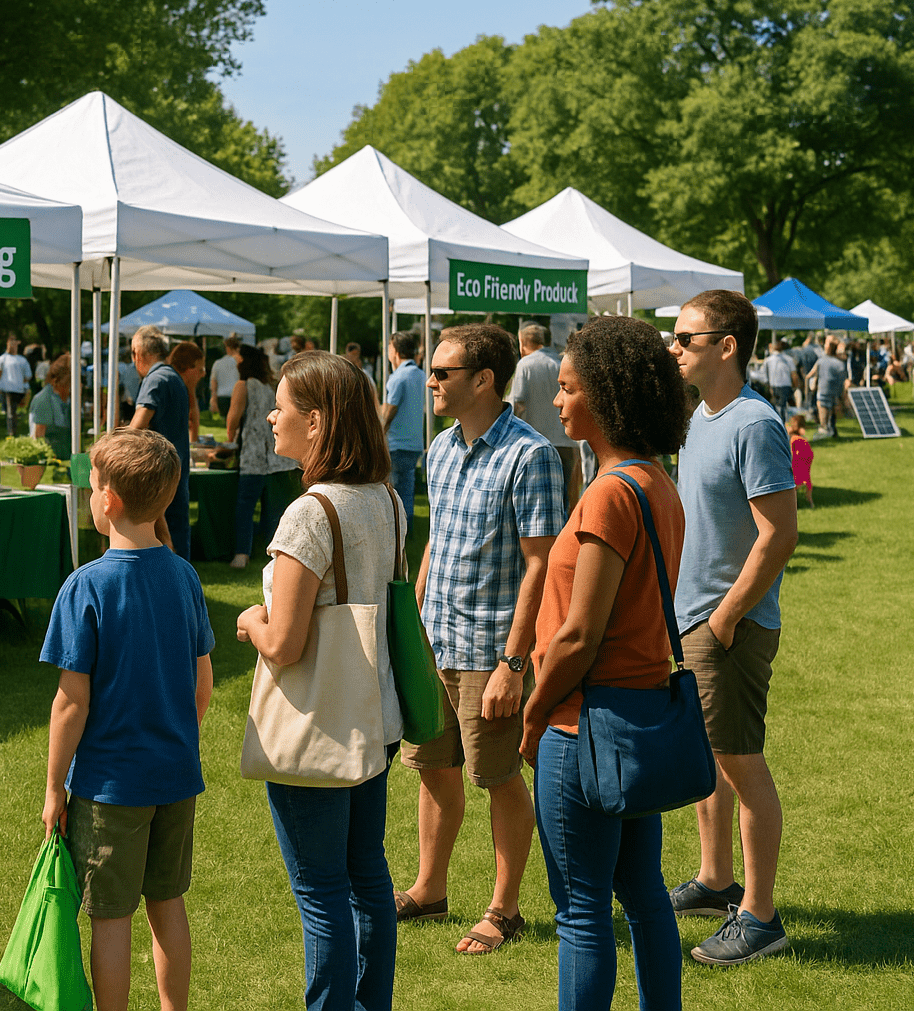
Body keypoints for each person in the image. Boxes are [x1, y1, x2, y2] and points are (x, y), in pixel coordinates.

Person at [519, 314, 692, 1011]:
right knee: (643, 895)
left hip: (583, 723)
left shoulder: (608, 494)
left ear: (603, 395)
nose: (557, 403)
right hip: (639, 716)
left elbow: (577, 635)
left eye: (566, 389)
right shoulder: (655, 482)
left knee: (582, 910)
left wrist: (533, 715)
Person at [236, 350, 403, 1011]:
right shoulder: (384, 497)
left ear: (317, 422)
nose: (270, 416)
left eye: (280, 406)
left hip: (319, 729)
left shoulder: (309, 513)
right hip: (376, 715)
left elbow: (285, 640)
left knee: (322, 888)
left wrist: (250, 620)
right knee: (366, 873)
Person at [396, 323, 565, 955]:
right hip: (435, 643)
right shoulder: (440, 448)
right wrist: (411, 629)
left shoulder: (531, 455)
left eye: (442, 372)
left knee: (497, 777)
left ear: (484, 380)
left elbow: (540, 567)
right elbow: (436, 543)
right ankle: (428, 890)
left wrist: (512, 663)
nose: (430, 381)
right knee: (431, 769)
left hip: (489, 650)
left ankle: (505, 908)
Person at [40, 428, 214, 1011]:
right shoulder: (186, 577)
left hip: (110, 786)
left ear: (108, 500)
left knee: (111, 917)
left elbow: (70, 702)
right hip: (175, 776)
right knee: (168, 903)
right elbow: (202, 686)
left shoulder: (85, 586)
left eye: (92, 485)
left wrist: (53, 788)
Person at [667, 289, 798, 966]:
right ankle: (717, 879)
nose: (674, 347)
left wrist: (722, 619)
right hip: (694, 621)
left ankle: (761, 917)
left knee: (742, 765)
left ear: (727, 346)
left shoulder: (753, 423)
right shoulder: (699, 418)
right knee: (709, 761)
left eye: (686, 338)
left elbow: (779, 535)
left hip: (729, 626)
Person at [225, 344, 297, 569]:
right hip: (277, 458)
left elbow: (233, 419)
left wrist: (230, 441)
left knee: (245, 507)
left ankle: (242, 553)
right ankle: (274, 556)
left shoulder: (243, 385)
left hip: (253, 455)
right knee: (273, 511)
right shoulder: (270, 386)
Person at [128, 327, 191, 559]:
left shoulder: (154, 379)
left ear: (139, 353)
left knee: (164, 536)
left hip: (160, 469)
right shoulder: (173, 376)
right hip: (176, 465)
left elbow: (138, 426)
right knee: (178, 527)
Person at [510, 322, 581, 510]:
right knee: (563, 501)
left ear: (523, 343)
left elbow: (518, 404)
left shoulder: (525, 364)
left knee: (537, 503)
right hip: (565, 442)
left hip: (534, 442)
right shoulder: (561, 362)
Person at [380, 330, 426, 525]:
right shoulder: (421, 374)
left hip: (396, 442)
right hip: (415, 443)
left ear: (396, 351)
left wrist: (378, 433)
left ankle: (396, 529)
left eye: (389, 347)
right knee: (407, 488)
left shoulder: (398, 377)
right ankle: (409, 527)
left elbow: (390, 409)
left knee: (392, 491)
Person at [30, 353, 75, 460]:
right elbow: (39, 434)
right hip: (52, 455)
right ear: (56, 381)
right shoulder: (43, 399)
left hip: (66, 452)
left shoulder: (68, 398)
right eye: (68, 383)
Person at [808, 337, 848, 438]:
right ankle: (832, 429)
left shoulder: (822, 360)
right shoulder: (840, 363)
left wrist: (812, 385)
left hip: (823, 389)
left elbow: (815, 375)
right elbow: (842, 379)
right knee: (832, 410)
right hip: (835, 391)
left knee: (823, 409)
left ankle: (824, 429)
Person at [0, 336, 31, 436]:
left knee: (12, 410)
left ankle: (12, 430)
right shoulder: (2, 359)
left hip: (17, 388)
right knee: (11, 410)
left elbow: (28, 376)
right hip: (7, 388)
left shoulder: (22, 360)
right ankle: (11, 430)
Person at [168, 341, 206, 442]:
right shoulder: (171, 389)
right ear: (187, 368)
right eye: (200, 370)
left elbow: (193, 423)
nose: (203, 374)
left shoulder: (184, 388)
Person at [761, 339, 798, 424]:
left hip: (774, 385)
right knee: (786, 406)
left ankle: (780, 423)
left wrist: (769, 387)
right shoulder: (788, 359)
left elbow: (765, 376)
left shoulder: (768, 360)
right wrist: (795, 386)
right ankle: (788, 423)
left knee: (777, 407)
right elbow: (794, 375)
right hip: (786, 385)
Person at [209, 333, 242, 420]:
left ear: (227, 348)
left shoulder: (218, 363)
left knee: (226, 423)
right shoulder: (240, 362)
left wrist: (213, 398)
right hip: (237, 395)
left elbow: (213, 381)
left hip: (222, 396)